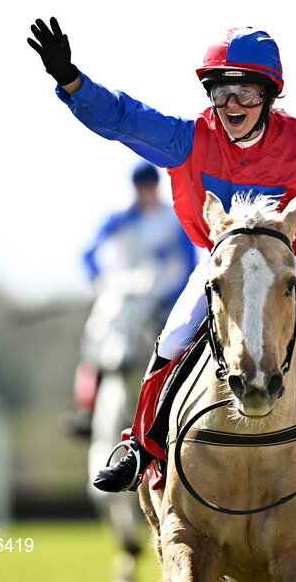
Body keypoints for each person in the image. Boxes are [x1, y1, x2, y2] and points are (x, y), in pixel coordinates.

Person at [27, 18, 296, 492]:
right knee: (172, 338)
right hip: (218, 268)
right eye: (221, 93)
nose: (232, 106)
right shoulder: (189, 138)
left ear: (269, 95)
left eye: (246, 94)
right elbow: (122, 118)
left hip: (285, 274)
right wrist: (71, 81)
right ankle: (140, 448)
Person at [65, 161, 196, 438]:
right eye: (140, 188)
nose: (144, 193)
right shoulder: (119, 217)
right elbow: (88, 254)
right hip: (123, 294)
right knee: (95, 336)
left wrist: (171, 294)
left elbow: (187, 263)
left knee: (179, 340)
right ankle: (88, 411)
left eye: (148, 187)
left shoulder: (171, 219)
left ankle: (175, 403)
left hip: (162, 295)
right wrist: (102, 281)